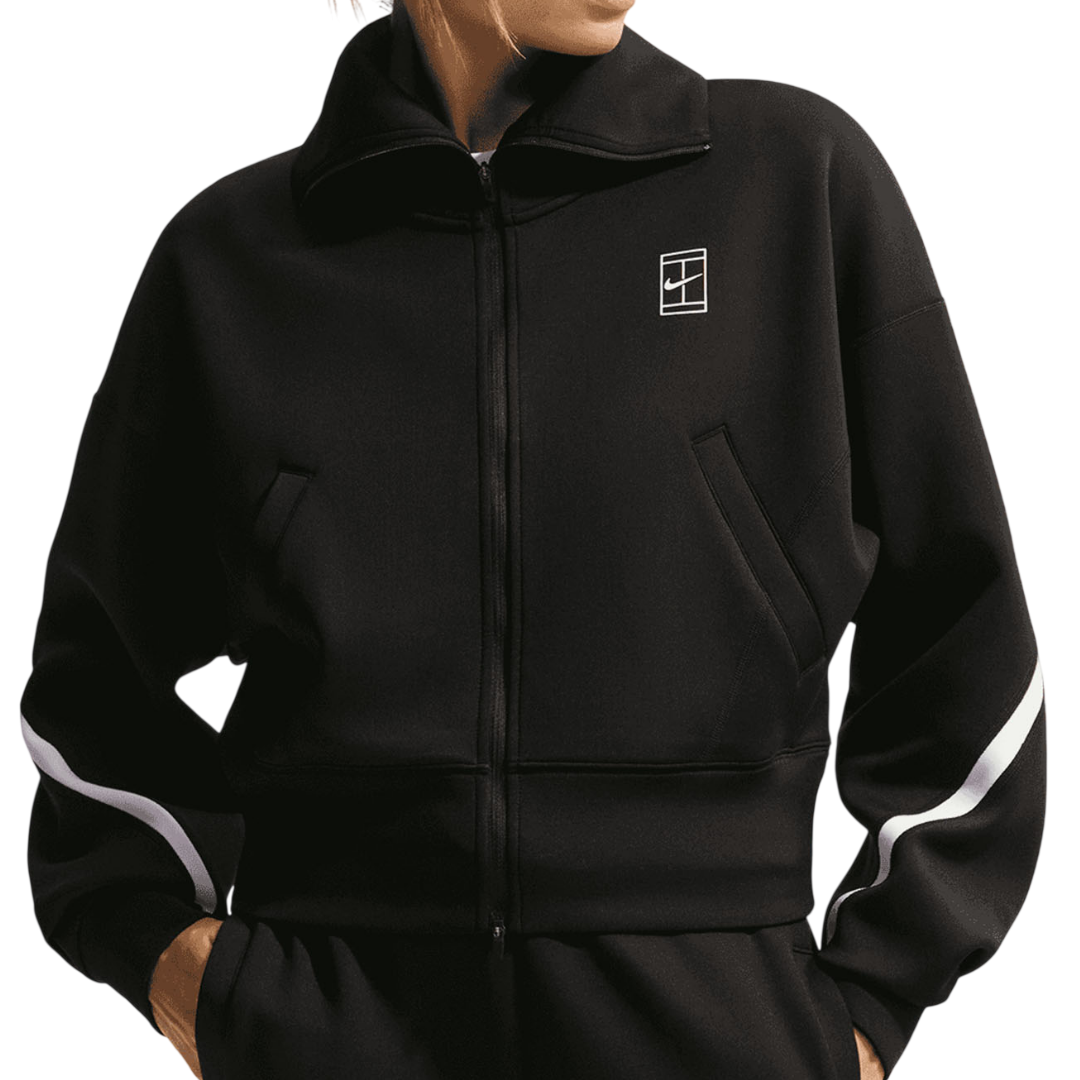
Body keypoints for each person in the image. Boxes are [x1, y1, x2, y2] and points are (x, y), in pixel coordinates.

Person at [18, 0, 1046, 1077]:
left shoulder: (790, 185)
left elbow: (960, 622)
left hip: (711, 1029)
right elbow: (93, 685)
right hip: (338, 1023)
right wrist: (181, 968)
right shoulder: (234, 261)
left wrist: (870, 1002)